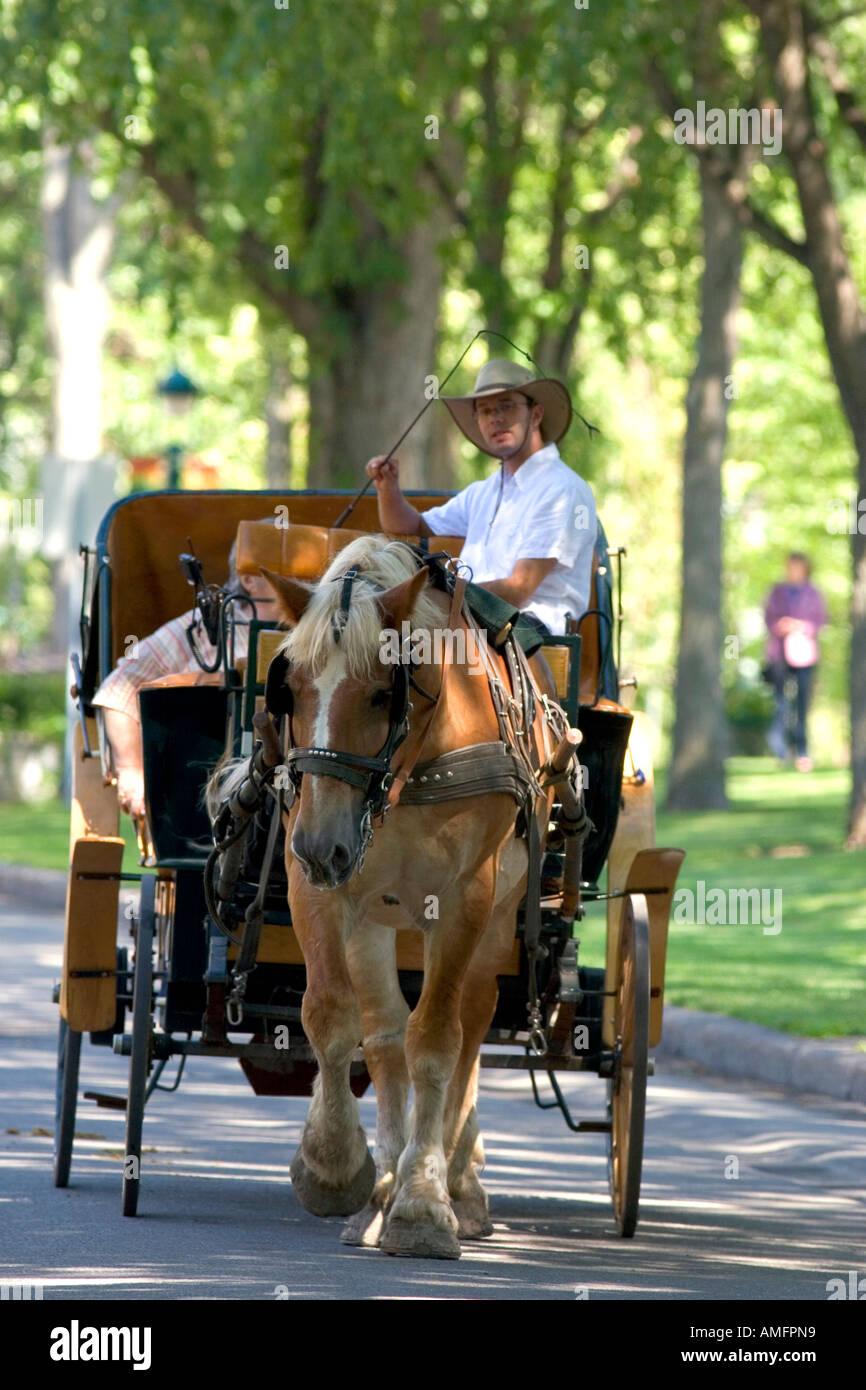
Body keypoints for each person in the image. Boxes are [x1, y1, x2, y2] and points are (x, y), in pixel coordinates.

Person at [365, 357, 597, 646]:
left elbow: (518, 590)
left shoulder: (562, 490)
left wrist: (433, 595)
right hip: (469, 621)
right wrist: (388, 487)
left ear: (535, 415)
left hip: (532, 636)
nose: (495, 418)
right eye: (485, 411)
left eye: (506, 406)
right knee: (380, 650)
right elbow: (410, 524)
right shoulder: (484, 492)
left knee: (412, 654)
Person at [92, 543, 276, 819]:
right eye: (292, 566)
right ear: (248, 578)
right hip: (198, 800)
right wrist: (131, 770)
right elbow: (118, 688)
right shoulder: (202, 630)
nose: (309, 577)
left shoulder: (322, 632)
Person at [763, 553, 827, 772]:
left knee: (802, 704)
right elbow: (768, 617)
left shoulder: (814, 593)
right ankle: (781, 751)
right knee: (780, 704)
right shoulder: (777, 592)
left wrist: (799, 626)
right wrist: (780, 626)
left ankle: (803, 752)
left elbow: (820, 621)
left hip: (805, 654)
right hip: (779, 654)